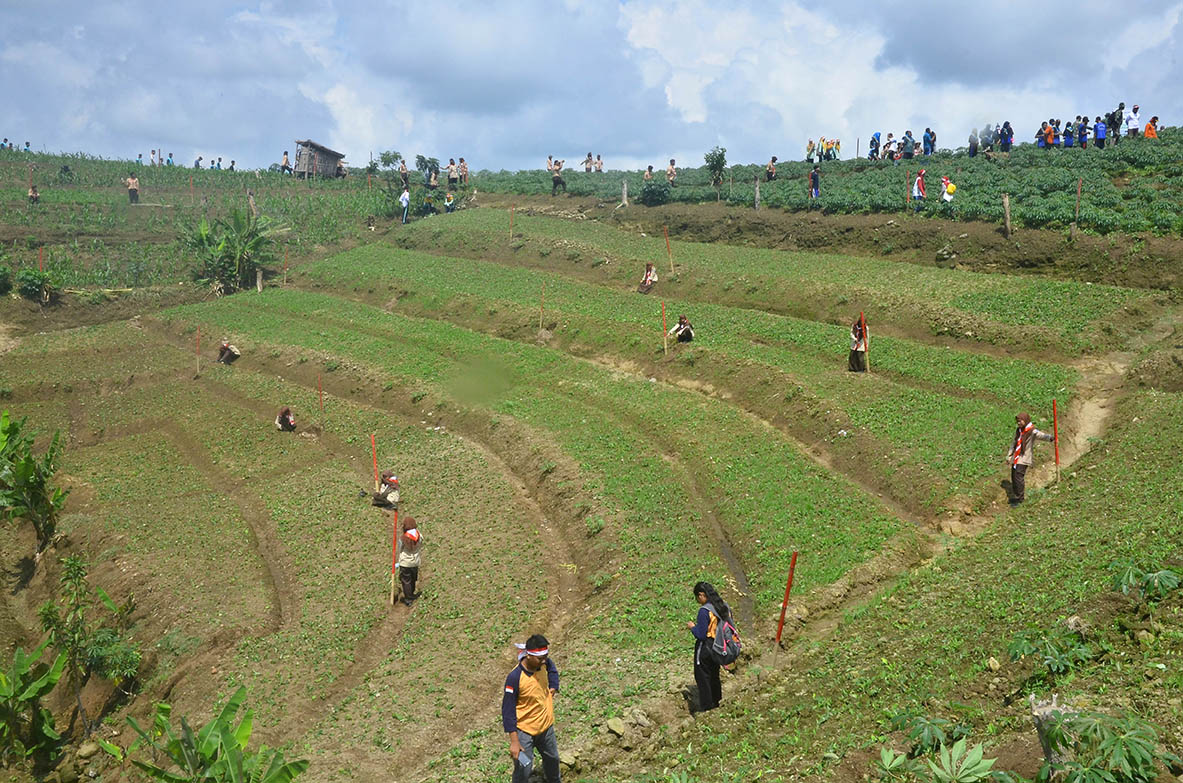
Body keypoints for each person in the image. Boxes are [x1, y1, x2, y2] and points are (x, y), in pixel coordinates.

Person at [503, 633, 561, 783]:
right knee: (524, 768)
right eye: (540, 658)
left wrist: (554, 686)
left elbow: (552, 668)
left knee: (553, 760)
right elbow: (508, 710)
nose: (544, 661)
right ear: (528, 656)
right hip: (525, 732)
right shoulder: (515, 678)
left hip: (546, 727)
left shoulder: (543, 663)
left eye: (545, 657)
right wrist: (514, 742)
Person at [686, 582, 730, 712]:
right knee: (714, 676)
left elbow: (701, 634)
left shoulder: (704, 611)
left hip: (705, 648)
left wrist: (692, 627)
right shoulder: (720, 607)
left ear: (701, 595)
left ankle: (707, 708)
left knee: (703, 677)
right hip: (718, 647)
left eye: (697, 597)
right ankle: (717, 704)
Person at [1006, 412, 1053, 505]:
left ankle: (1020, 499)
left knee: (1019, 477)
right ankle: (1016, 496)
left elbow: (1040, 435)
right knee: (1014, 476)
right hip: (1017, 458)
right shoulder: (1019, 431)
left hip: (1024, 458)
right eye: (1017, 421)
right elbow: (1014, 443)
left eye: (1020, 421)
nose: (1019, 423)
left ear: (1026, 420)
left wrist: (1050, 438)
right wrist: (1009, 455)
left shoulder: (1031, 431)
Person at [397, 515, 422, 604]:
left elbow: (400, 549)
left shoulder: (403, 538)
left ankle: (408, 598)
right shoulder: (419, 535)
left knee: (406, 580)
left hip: (405, 563)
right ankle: (412, 594)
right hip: (415, 562)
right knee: (413, 578)